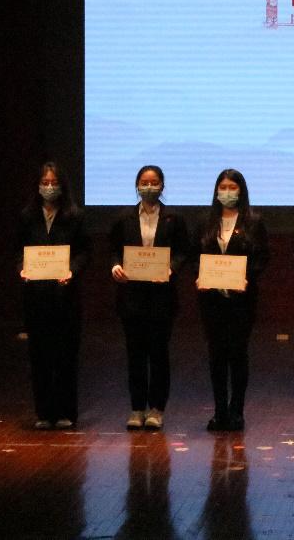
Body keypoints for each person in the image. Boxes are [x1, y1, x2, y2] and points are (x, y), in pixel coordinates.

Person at [109, 165, 190, 431]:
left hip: (161, 297)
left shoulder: (174, 218)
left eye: (154, 182)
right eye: (144, 182)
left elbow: (183, 252)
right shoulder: (123, 217)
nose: (149, 187)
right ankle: (136, 408)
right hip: (131, 297)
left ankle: (156, 408)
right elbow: (113, 250)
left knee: (158, 354)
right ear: (137, 185)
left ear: (162, 186)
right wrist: (115, 266)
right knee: (135, 355)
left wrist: (171, 269)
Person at [192, 169, 270, 432]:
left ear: (241, 190)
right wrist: (199, 276)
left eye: (232, 187)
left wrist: (247, 277)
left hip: (241, 300)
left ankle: (237, 411)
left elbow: (262, 258)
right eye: (223, 187)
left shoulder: (254, 222)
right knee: (216, 355)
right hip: (211, 299)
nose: (227, 192)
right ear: (216, 191)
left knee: (237, 354)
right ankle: (219, 412)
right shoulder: (205, 221)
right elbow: (195, 256)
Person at [17, 161, 90, 430]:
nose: (49, 187)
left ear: (62, 186)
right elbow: (19, 251)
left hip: (65, 298)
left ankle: (66, 412)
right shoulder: (27, 216)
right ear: (38, 186)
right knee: (39, 357)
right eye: (45, 183)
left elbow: (85, 252)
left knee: (65, 356)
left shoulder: (75, 216)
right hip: (36, 298)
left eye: (54, 183)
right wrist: (22, 268)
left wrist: (72, 271)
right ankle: (44, 413)